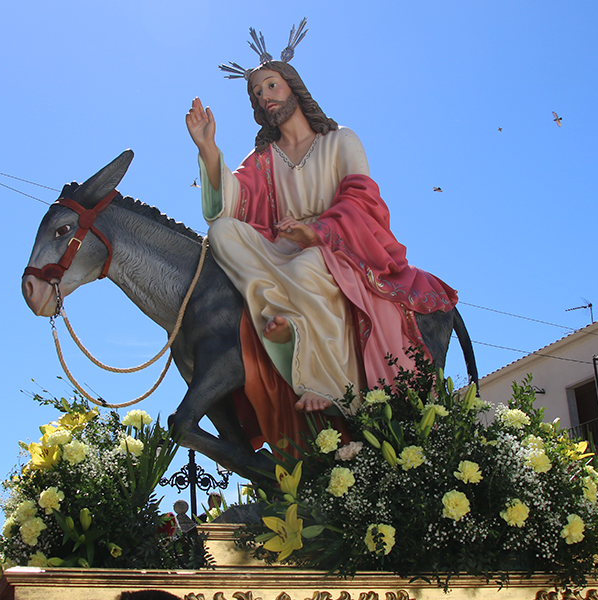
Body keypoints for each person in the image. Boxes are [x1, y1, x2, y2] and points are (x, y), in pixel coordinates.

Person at [186, 56, 457, 441]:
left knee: (306, 267)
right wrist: (209, 148)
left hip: (337, 246)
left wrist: (318, 233)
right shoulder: (262, 160)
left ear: (294, 87)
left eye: (271, 86)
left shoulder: (340, 140)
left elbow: (362, 197)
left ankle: (326, 383)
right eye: (257, 92)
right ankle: (278, 315)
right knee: (224, 232)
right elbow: (231, 204)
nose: (265, 97)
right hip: (279, 248)